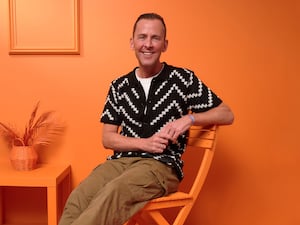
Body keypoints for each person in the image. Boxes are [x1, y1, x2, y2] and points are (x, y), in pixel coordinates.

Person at [59, 12, 234, 225]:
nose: (148, 44)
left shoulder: (183, 79)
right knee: (78, 198)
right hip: (120, 163)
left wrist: (189, 119)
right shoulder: (119, 86)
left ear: (165, 45)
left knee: (114, 192)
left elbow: (227, 113)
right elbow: (108, 139)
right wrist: (145, 143)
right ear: (132, 43)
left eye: (155, 38)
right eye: (142, 37)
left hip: (161, 166)